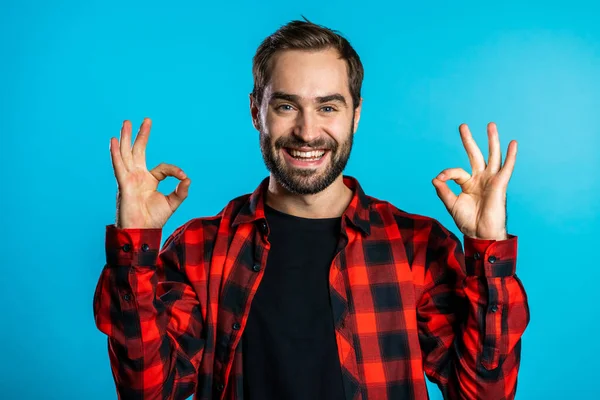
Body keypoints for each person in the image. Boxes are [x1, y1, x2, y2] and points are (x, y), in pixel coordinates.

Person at [93, 19, 529, 400]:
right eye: (286, 106)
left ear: (355, 115)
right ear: (255, 112)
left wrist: (487, 248)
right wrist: (135, 247)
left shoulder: (418, 247)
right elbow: (148, 392)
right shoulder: (198, 249)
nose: (307, 131)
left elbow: (482, 394)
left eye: (327, 107)